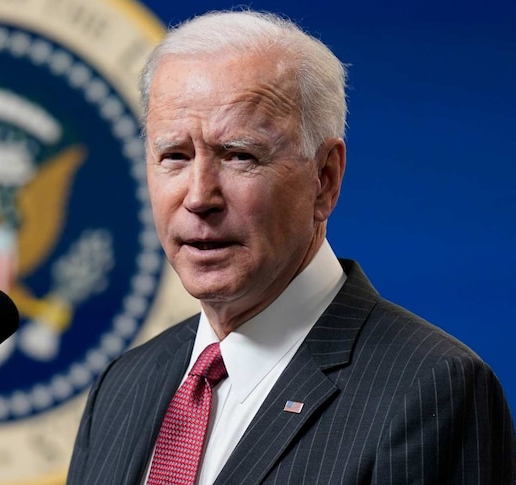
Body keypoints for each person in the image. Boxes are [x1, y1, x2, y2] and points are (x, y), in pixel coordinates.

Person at [66, 9, 515, 485]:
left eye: (239, 155)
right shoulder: (122, 385)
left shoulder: (430, 389)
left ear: (324, 180)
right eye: (174, 156)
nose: (198, 197)